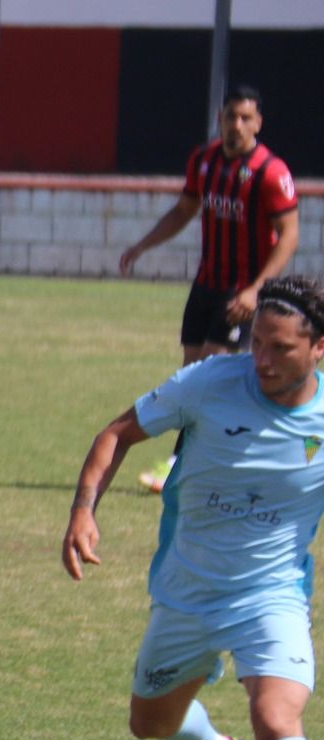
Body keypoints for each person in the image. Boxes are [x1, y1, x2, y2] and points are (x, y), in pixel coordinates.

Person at [61, 275, 324, 740]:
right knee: (148, 722)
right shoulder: (209, 382)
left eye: (281, 349)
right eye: (257, 342)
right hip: (187, 592)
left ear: (319, 349)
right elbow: (117, 433)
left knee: (276, 714)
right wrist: (82, 511)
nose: (262, 359)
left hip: (271, 596)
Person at [118, 85, 301, 494]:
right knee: (190, 374)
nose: (235, 125)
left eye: (244, 118)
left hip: (240, 292)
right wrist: (143, 245)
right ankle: (216, 458)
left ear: (258, 123)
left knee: (207, 377)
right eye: (229, 116)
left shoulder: (271, 173)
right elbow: (184, 209)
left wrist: (256, 289)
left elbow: (289, 235)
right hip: (205, 285)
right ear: (220, 118)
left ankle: (179, 465)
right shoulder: (204, 161)